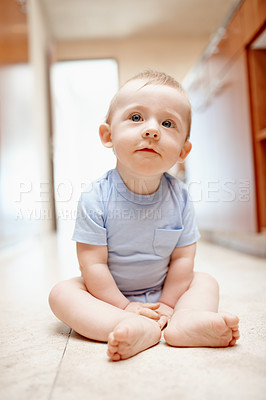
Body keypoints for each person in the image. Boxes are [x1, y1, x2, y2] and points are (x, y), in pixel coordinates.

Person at [49, 70, 240, 361]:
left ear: (182, 151)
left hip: (164, 292)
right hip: (109, 298)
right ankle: (131, 326)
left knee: (205, 281)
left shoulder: (181, 197)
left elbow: (183, 259)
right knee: (63, 293)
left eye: (167, 123)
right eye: (136, 118)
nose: (152, 131)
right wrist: (123, 307)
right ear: (108, 135)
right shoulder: (95, 197)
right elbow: (93, 265)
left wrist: (168, 303)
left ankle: (185, 321)